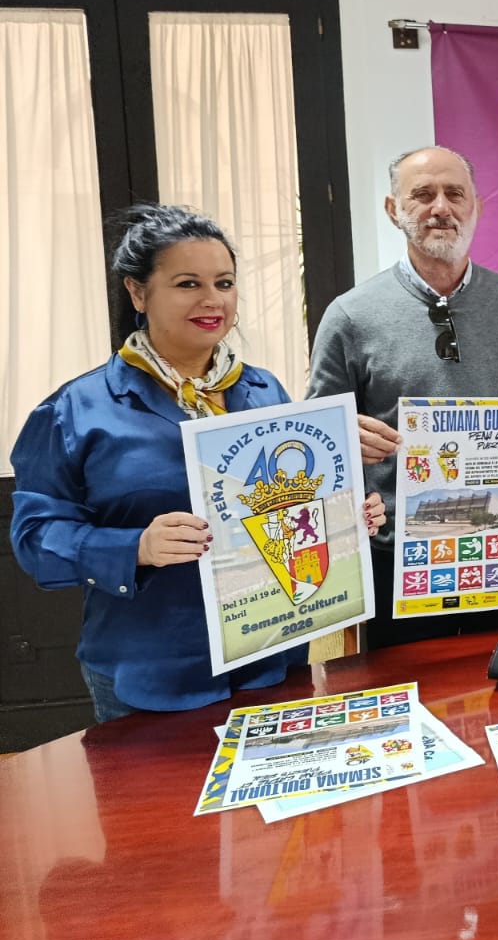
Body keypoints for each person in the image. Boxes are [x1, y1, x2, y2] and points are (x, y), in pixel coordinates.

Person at [10, 205, 383, 722]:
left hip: (271, 658)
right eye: (188, 284)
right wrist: (136, 547)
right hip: (152, 671)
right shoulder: (75, 411)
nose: (213, 300)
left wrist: (344, 519)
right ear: (138, 292)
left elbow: (285, 514)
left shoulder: (264, 393)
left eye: (224, 283)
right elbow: (36, 541)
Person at [306, 146, 498, 648]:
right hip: (400, 557)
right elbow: (316, 438)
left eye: (454, 194)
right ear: (394, 210)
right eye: (422, 194)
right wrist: (346, 438)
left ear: (476, 206)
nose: (440, 207)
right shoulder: (351, 315)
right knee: (415, 685)